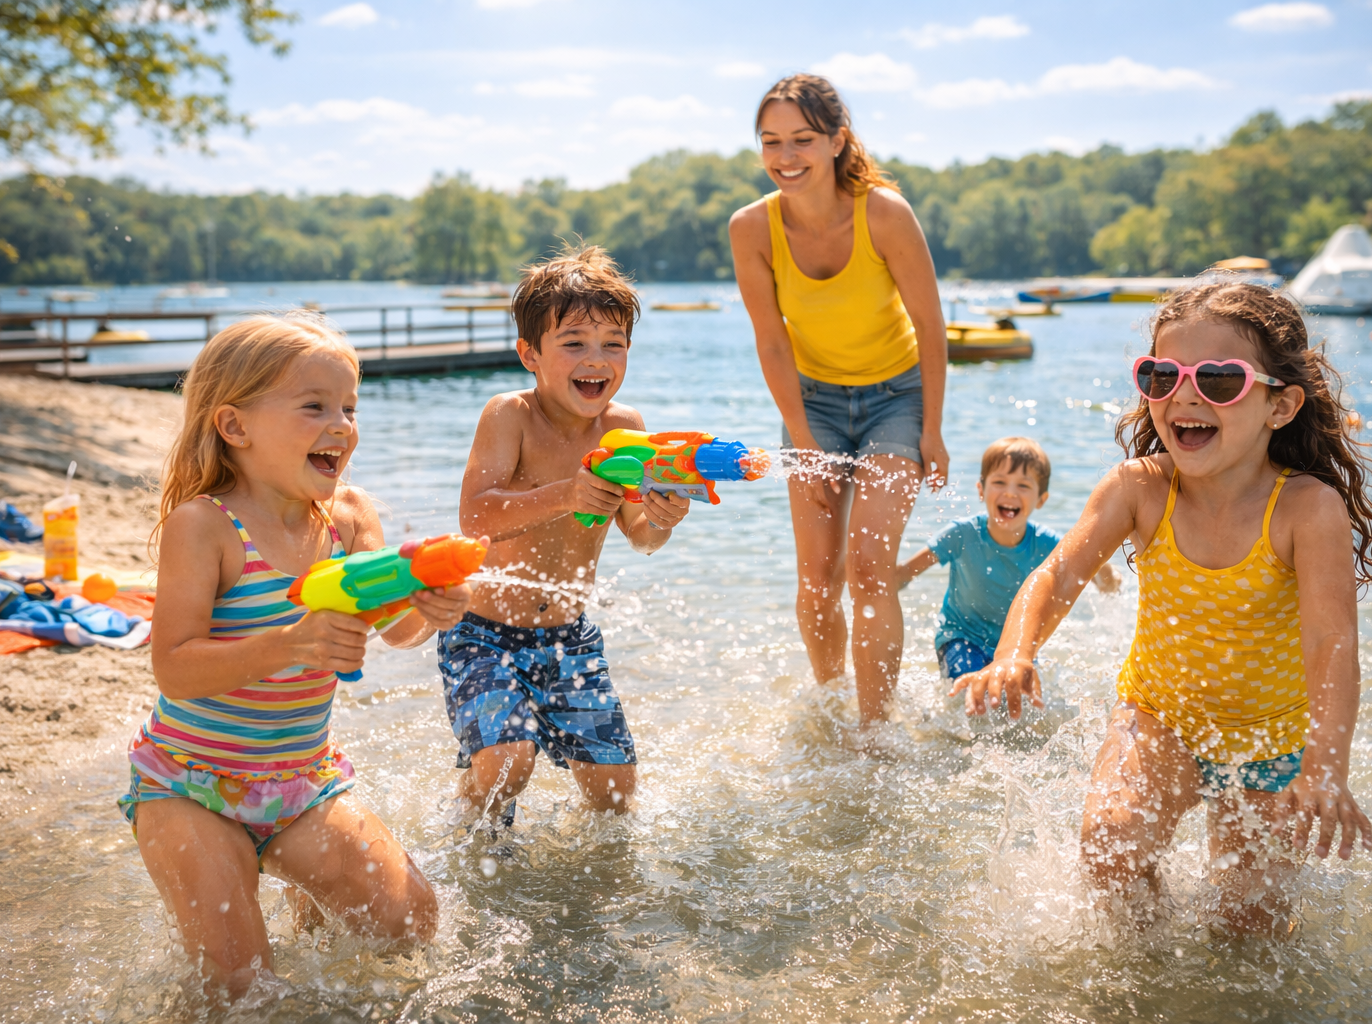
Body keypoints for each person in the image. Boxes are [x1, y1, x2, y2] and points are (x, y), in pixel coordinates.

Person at [955, 283, 1372, 931]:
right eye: (1162, 376)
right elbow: (1056, 574)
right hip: (1160, 715)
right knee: (1110, 851)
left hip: (1271, 741)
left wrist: (1325, 765)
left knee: (1250, 927)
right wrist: (1015, 653)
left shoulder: (1306, 508)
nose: (1184, 395)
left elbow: (1333, 644)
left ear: (1281, 405)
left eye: (1219, 379)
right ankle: (1150, 968)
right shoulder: (1140, 489)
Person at [127, 314, 473, 997]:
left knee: (413, 925)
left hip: (300, 782)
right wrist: (290, 642)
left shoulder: (347, 519)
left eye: (348, 407)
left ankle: (303, 895)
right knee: (237, 986)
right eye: (314, 407)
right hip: (192, 785)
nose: (340, 424)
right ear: (235, 426)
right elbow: (174, 666)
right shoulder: (206, 526)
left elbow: (394, 629)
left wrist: (431, 609)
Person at [440, 245, 689, 823]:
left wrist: (663, 516)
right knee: (508, 763)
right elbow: (475, 517)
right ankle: (466, 832)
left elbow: (641, 536)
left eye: (613, 344)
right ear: (530, 352)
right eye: (573, 343)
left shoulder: (626, 429)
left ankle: (576, 886)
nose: (595, 359)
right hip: (483, 633)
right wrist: (568, 494)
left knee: (615, 794)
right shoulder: (511, 415)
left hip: (569, 640)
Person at [729, 73, 949, 726]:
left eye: (801, 139)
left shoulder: (883, 212)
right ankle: (831, 707)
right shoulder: (751, 230)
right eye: (770, 141)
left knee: (869, 567)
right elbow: (772, 343)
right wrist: (799, 437)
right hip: (813, 405)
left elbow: (931, 326)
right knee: (817, 583)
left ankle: (875, 731)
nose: (784, 157)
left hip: (896, 399)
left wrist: (931, 431)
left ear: (836, 141)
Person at [896, 437, 1118, 685]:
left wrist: (1107, 576)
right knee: (969, 691)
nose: (1010, 492)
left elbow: (1091, 561)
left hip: (1016, 645)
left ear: (1041, 499)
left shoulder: (1046, 544)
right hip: (961, 637)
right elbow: (906, 573)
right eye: (999, 482)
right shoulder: (961, 534)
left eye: (1023, 485)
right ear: (981, 490)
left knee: (1024, 706)